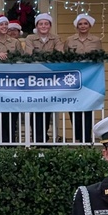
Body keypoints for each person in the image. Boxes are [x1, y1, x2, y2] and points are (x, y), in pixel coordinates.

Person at [64, 12, 103, 143]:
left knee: (87, 107)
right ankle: (77, 137)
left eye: (85, 23)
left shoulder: (96, 40)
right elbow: (64, 58)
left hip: (90, 80)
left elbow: (99, 59)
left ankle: (86, 138)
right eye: (80, 24)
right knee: (74, 107)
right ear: (76, 26)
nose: (83, 26)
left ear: (90, 25)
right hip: (73, 79)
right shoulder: (70, 40)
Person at [25, 13, 61, 143]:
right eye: (41, 24)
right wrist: (48, 56)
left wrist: (40, 55)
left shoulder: (56, 38)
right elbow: (28, 54)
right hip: (34, 78)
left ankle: (44, 137)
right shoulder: (30, 38)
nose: (44, 26)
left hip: (50, 79)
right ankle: (36, 137)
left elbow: (59, 54)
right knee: (34, 108)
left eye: (46, 23)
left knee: (47, 108)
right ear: (37, 26)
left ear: (50, 25)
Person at [0, 15, 22, 143]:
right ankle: (1, 141)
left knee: (13, 110)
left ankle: (12, 141)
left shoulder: (15, 42)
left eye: (5, 24)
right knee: (0, 111)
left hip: (13, 81)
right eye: (1, 25)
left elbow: (22, 57)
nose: (4, 27)